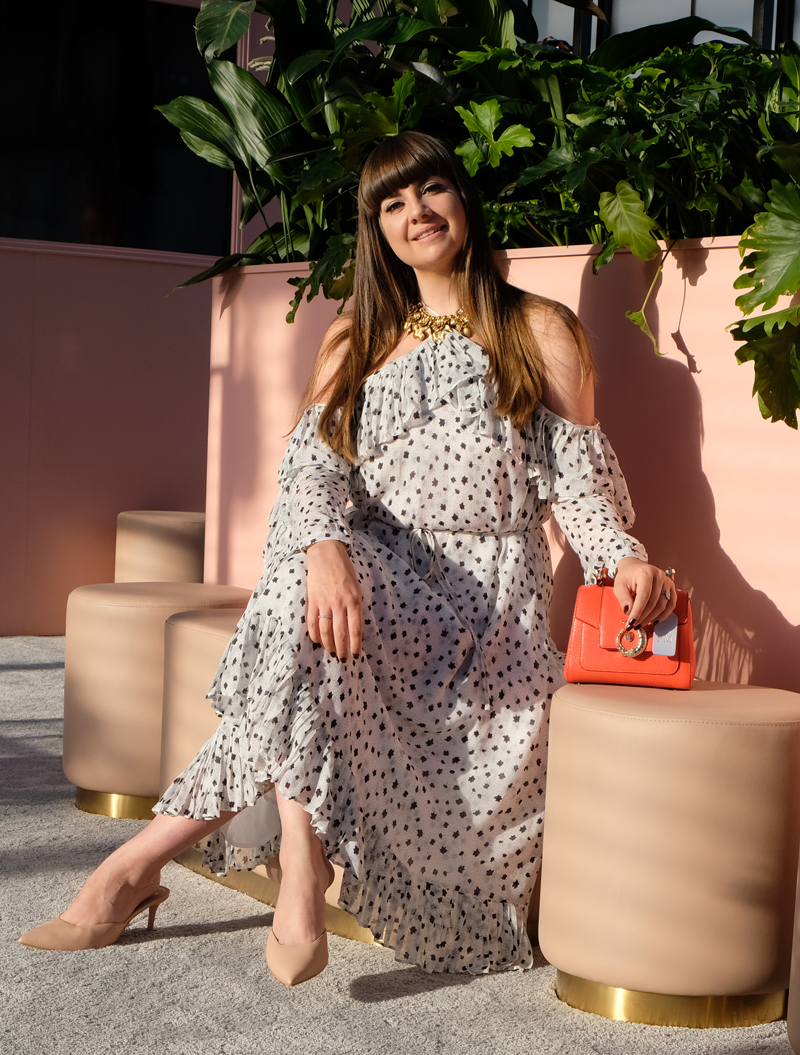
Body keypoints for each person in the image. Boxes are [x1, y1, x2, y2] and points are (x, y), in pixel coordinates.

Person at [19, 132, 676, 982]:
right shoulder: (355, 340)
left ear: (464, 202)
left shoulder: (537, 330)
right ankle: (297, 862)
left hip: (481, 616)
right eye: (392, 205)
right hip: (366, 582)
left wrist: (621, 559)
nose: (416, 214)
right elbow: (308, 477)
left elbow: (579, 488)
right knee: (307, 587)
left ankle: (138, 865)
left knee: (307, 619)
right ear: (377, 231)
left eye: (430, 190)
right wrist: (326, 549)